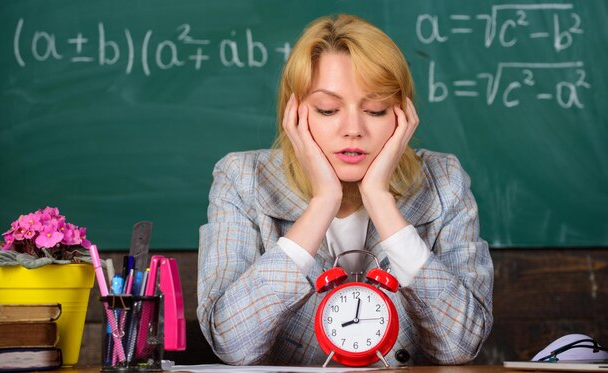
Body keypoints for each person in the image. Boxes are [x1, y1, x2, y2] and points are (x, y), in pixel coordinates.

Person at [197, 14, 493, 366]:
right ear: (294, 113)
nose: (353, 129)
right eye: (328, 109)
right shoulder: (242, 178)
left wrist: (381, 201)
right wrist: (323, 202)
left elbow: (459, 345)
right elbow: (233, 345)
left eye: (375, 109)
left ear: (403, 115)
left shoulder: (444, 180)